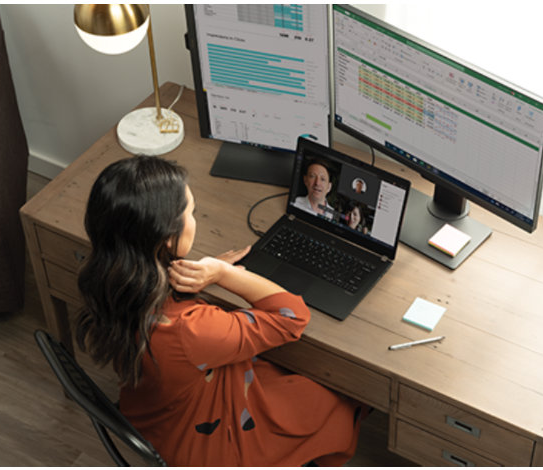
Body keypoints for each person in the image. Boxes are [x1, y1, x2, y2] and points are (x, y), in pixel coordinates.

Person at [75, 155, 362, 466]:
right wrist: (226, 275)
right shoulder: (188, 330)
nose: (195, 219)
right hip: (206, 444)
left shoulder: (108, 279)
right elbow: (291, 318)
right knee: (338, 400)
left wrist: (203, 274)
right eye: (192, 212)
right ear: (168, 237)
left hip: (154, 415)